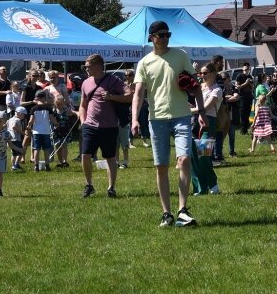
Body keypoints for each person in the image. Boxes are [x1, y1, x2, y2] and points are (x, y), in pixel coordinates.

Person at [132, 21, 209, 227]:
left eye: (168, 34)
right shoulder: (144, 63)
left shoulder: (181, 55)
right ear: (151, 37)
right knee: (162, 167)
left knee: (184, 160)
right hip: (156, 119)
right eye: (161, 35)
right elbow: (139, 93)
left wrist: (201, 111)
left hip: (182, 116)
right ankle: (166, 214)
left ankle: (183, 210)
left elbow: (197, 87)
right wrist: (134, 120)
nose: (165, 38)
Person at [79, 54, 132, 198]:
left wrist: (112, 97)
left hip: (109, 126)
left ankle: (111, 187)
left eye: (88, 66)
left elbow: (130, 96)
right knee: (85, 155)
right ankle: (89, 185)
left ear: (98, 66)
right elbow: (83, 105)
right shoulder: (86, 83)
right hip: (89, 125)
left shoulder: (114, 80)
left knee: (110, 157)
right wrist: (83, 121)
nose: (86, 69)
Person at [190, 63, 221, 194]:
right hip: (195, 122)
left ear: (213, 73)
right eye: (201, 73)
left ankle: (212, 184)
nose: (202, 76)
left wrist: (187, 110)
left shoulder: (217, 90)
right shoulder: (199, 87)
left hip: (209, 123)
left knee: (203, 155)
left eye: (205, 73)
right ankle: (200, 188)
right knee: (193, 157)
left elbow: (205, 107)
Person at [28, 90, 57, 172]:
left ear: (37, 98)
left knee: (36, 149)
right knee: (46, 149)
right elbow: (52, 119)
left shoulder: (33, 109)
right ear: (44, 98)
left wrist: (28, 126)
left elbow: (31, 120)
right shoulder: (48, 108)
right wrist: (56, 124)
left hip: (36, 132)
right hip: (46, 131)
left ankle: (36, 166)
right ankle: (47, 166)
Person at [53, 95, 77, 168]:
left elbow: (72, 112)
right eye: (58, 104)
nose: (59, 106)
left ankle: (64, 161)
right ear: (55, 104)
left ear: (63, 103)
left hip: (65, 130)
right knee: (57, 145)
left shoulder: (66, 109)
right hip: (57, 131)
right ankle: (60, 162)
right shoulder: (54, 110)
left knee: (64, 144)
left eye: (61, 104)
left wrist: (77, 113)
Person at [235, 62, 254, 135]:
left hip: (249, 97)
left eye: (248, 69)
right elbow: (237, 86)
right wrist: (245, 83)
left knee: (248, 113)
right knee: (243, 114)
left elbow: (252, 87)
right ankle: (243, 131)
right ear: (243, 69)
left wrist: (251, 84)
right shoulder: (239, 76)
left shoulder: (250, 77)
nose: (246, 70)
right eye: (245, 69)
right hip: (242, 97)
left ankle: (246, 129)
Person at [8, 107, 26, 171]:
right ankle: (16, 164)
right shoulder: (17, 120)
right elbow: (14, 126)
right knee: (21, 152)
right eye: (24, 114)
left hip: (10, 139)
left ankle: (13, 166)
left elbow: (7, 126)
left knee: (14, 154)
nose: (24, 116)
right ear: (20, 113)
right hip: (16, 139)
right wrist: (22, 132)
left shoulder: (10, 119)